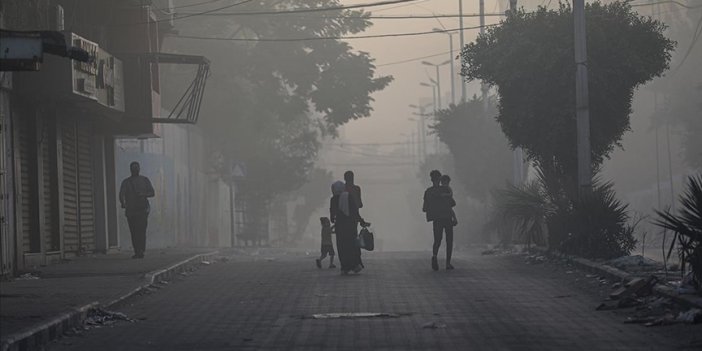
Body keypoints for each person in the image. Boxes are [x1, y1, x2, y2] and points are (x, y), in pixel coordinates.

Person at [330, 180, 369, 275]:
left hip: (340, 227)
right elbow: (355, 211)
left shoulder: (333, 199)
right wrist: (361, 221)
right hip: (351, 226)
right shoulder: (348, 196)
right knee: (352, 246)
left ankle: (345, 267)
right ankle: (355, 265)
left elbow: (332, 216)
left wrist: (335, 220)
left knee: (342, 247)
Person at [119, 161, 155, 259]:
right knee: (134, 232)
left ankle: (140, 250)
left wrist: (143, 194)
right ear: (131, 170)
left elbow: (152, 193)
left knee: (141, 231)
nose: (135, 169)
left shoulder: (145, 180)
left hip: (142, 210)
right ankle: (138, 251)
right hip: (131, 211)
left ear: (139, 169)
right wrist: (123, 203)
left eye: (136, 168)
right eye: (133, 168)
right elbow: (121, 194)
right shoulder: (126, 182)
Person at [423, 170, 456, 271]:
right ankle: (447, 263)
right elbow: (452, 204)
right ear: (440, 179)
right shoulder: (446, 190)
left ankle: (434, 255)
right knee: (449, 240)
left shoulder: (428, 192)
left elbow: (424, 208)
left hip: (437, 219)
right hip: (447, 217)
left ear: (431, 179)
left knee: (437, 240)